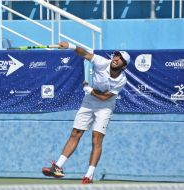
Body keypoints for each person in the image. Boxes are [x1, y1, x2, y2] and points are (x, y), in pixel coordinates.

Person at [42, 41, 130, 184]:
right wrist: (70, 46)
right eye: (116, 56)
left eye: (120, 59)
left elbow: (105, 97)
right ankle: (57, 167)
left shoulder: (122, 80)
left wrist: (89, 89)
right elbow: (85, 54)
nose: (116, 59)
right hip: (89, 101)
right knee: (76, 133)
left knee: (96, 138)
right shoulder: (102, 62)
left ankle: (88, 175)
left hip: (105, 106)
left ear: (124, 66)